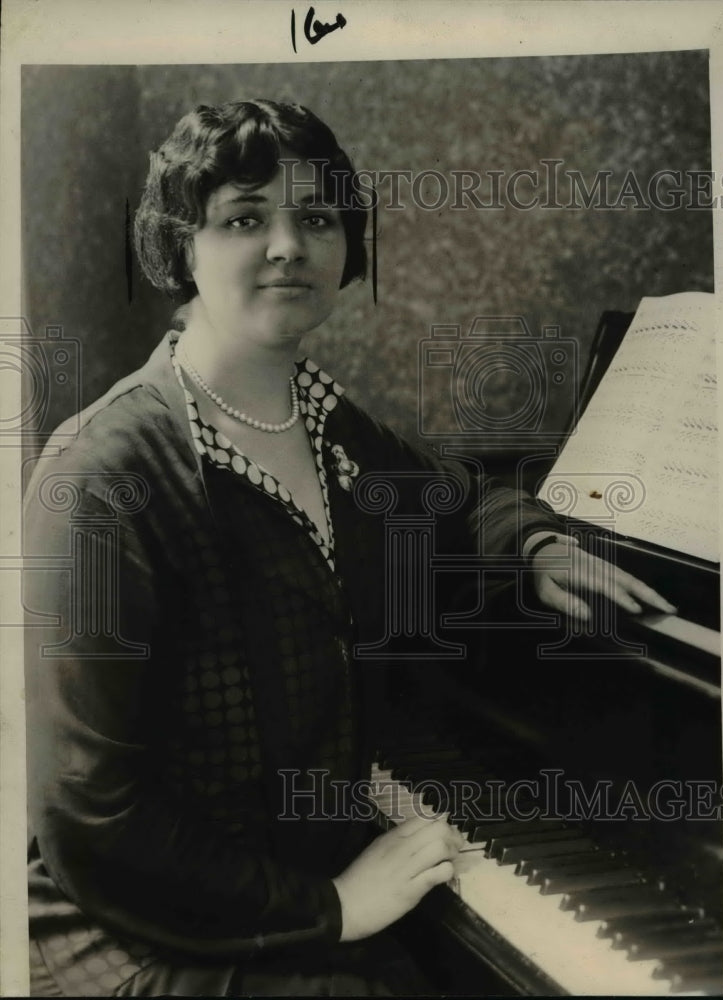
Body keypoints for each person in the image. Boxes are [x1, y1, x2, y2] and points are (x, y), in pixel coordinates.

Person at [23, 99, 676, 997]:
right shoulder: (105, 472)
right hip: (135, 926)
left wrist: (535, 547)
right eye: (245, 218)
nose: (288, 245)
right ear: (183, 248)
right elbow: (91, 819)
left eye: (318, 217)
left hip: (293, 873)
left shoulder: (331, 424)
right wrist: (330, 908)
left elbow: (457, 500)